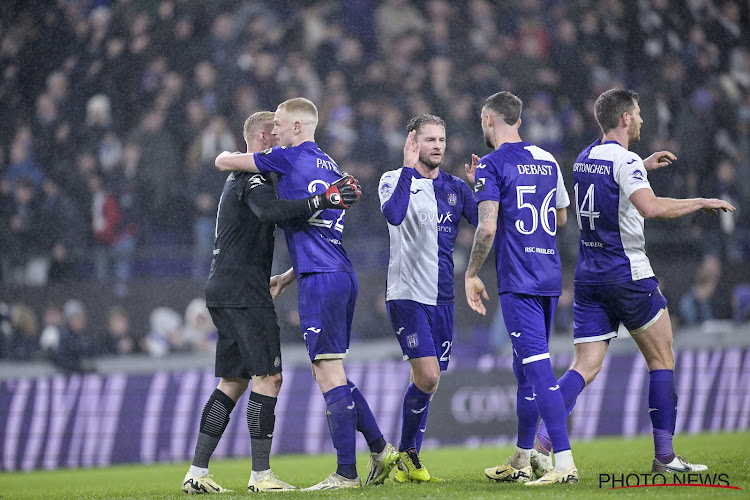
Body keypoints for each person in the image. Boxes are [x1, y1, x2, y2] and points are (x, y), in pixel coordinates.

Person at [531, 89, 735, 475]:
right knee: (661, 359)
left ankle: (540, 444)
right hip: (628, 275)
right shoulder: (625, 163)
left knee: (584, 367)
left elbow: (609, 180)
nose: (641, 119)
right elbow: (651, 207)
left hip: (589, 278)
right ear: (624, 118)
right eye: (638, 113)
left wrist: (641, 165)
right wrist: (700, 202)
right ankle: (665, 457)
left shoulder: (584, 158)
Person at [215, 98, 399, 490]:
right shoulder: (331, 167)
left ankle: (346, 474)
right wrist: (285, 275)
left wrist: (237, 153)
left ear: (298, 127)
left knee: (326, 372)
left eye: (280, 124)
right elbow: (320, 231)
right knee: (334, 371)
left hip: (320, 279)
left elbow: (225, 162)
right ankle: (381, 450)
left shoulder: (286, 157)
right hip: (337, 273)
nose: (276, 131)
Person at [182, 111, 361, 494]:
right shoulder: (256, 177)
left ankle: (197, 472)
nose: (280, 138)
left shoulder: (240, 177)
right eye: (275, 133)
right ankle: (261, 476)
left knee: (233, 381)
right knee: (270, 377)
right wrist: (322, 198)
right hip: (246, 292)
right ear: (265, 137)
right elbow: (270, 212)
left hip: (224, 288)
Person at [464, 91, 577, 486]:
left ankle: (563, 463)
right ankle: (522, 458)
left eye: (483, 120)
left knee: (537, 368)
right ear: (520, 121)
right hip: (547, 276)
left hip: (519, 280)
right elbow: (562, 219)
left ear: (490, 120)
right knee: (525, 370)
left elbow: (488, 226)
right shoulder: (547, 160)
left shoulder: (492, 164)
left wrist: (471, 272)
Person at [378, 114, 478, 482]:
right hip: (407, 295)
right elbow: (393, 214)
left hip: (444, 298)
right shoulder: (393, 179)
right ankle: (406, 455)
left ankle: (406, 462)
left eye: (441, 139)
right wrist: (407, 169)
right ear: (413, 142)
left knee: (427, 383)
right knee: (429, 376)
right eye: (429, 139)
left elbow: (486, 223)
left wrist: (483, 188)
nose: (437, 145)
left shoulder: (454, 187)